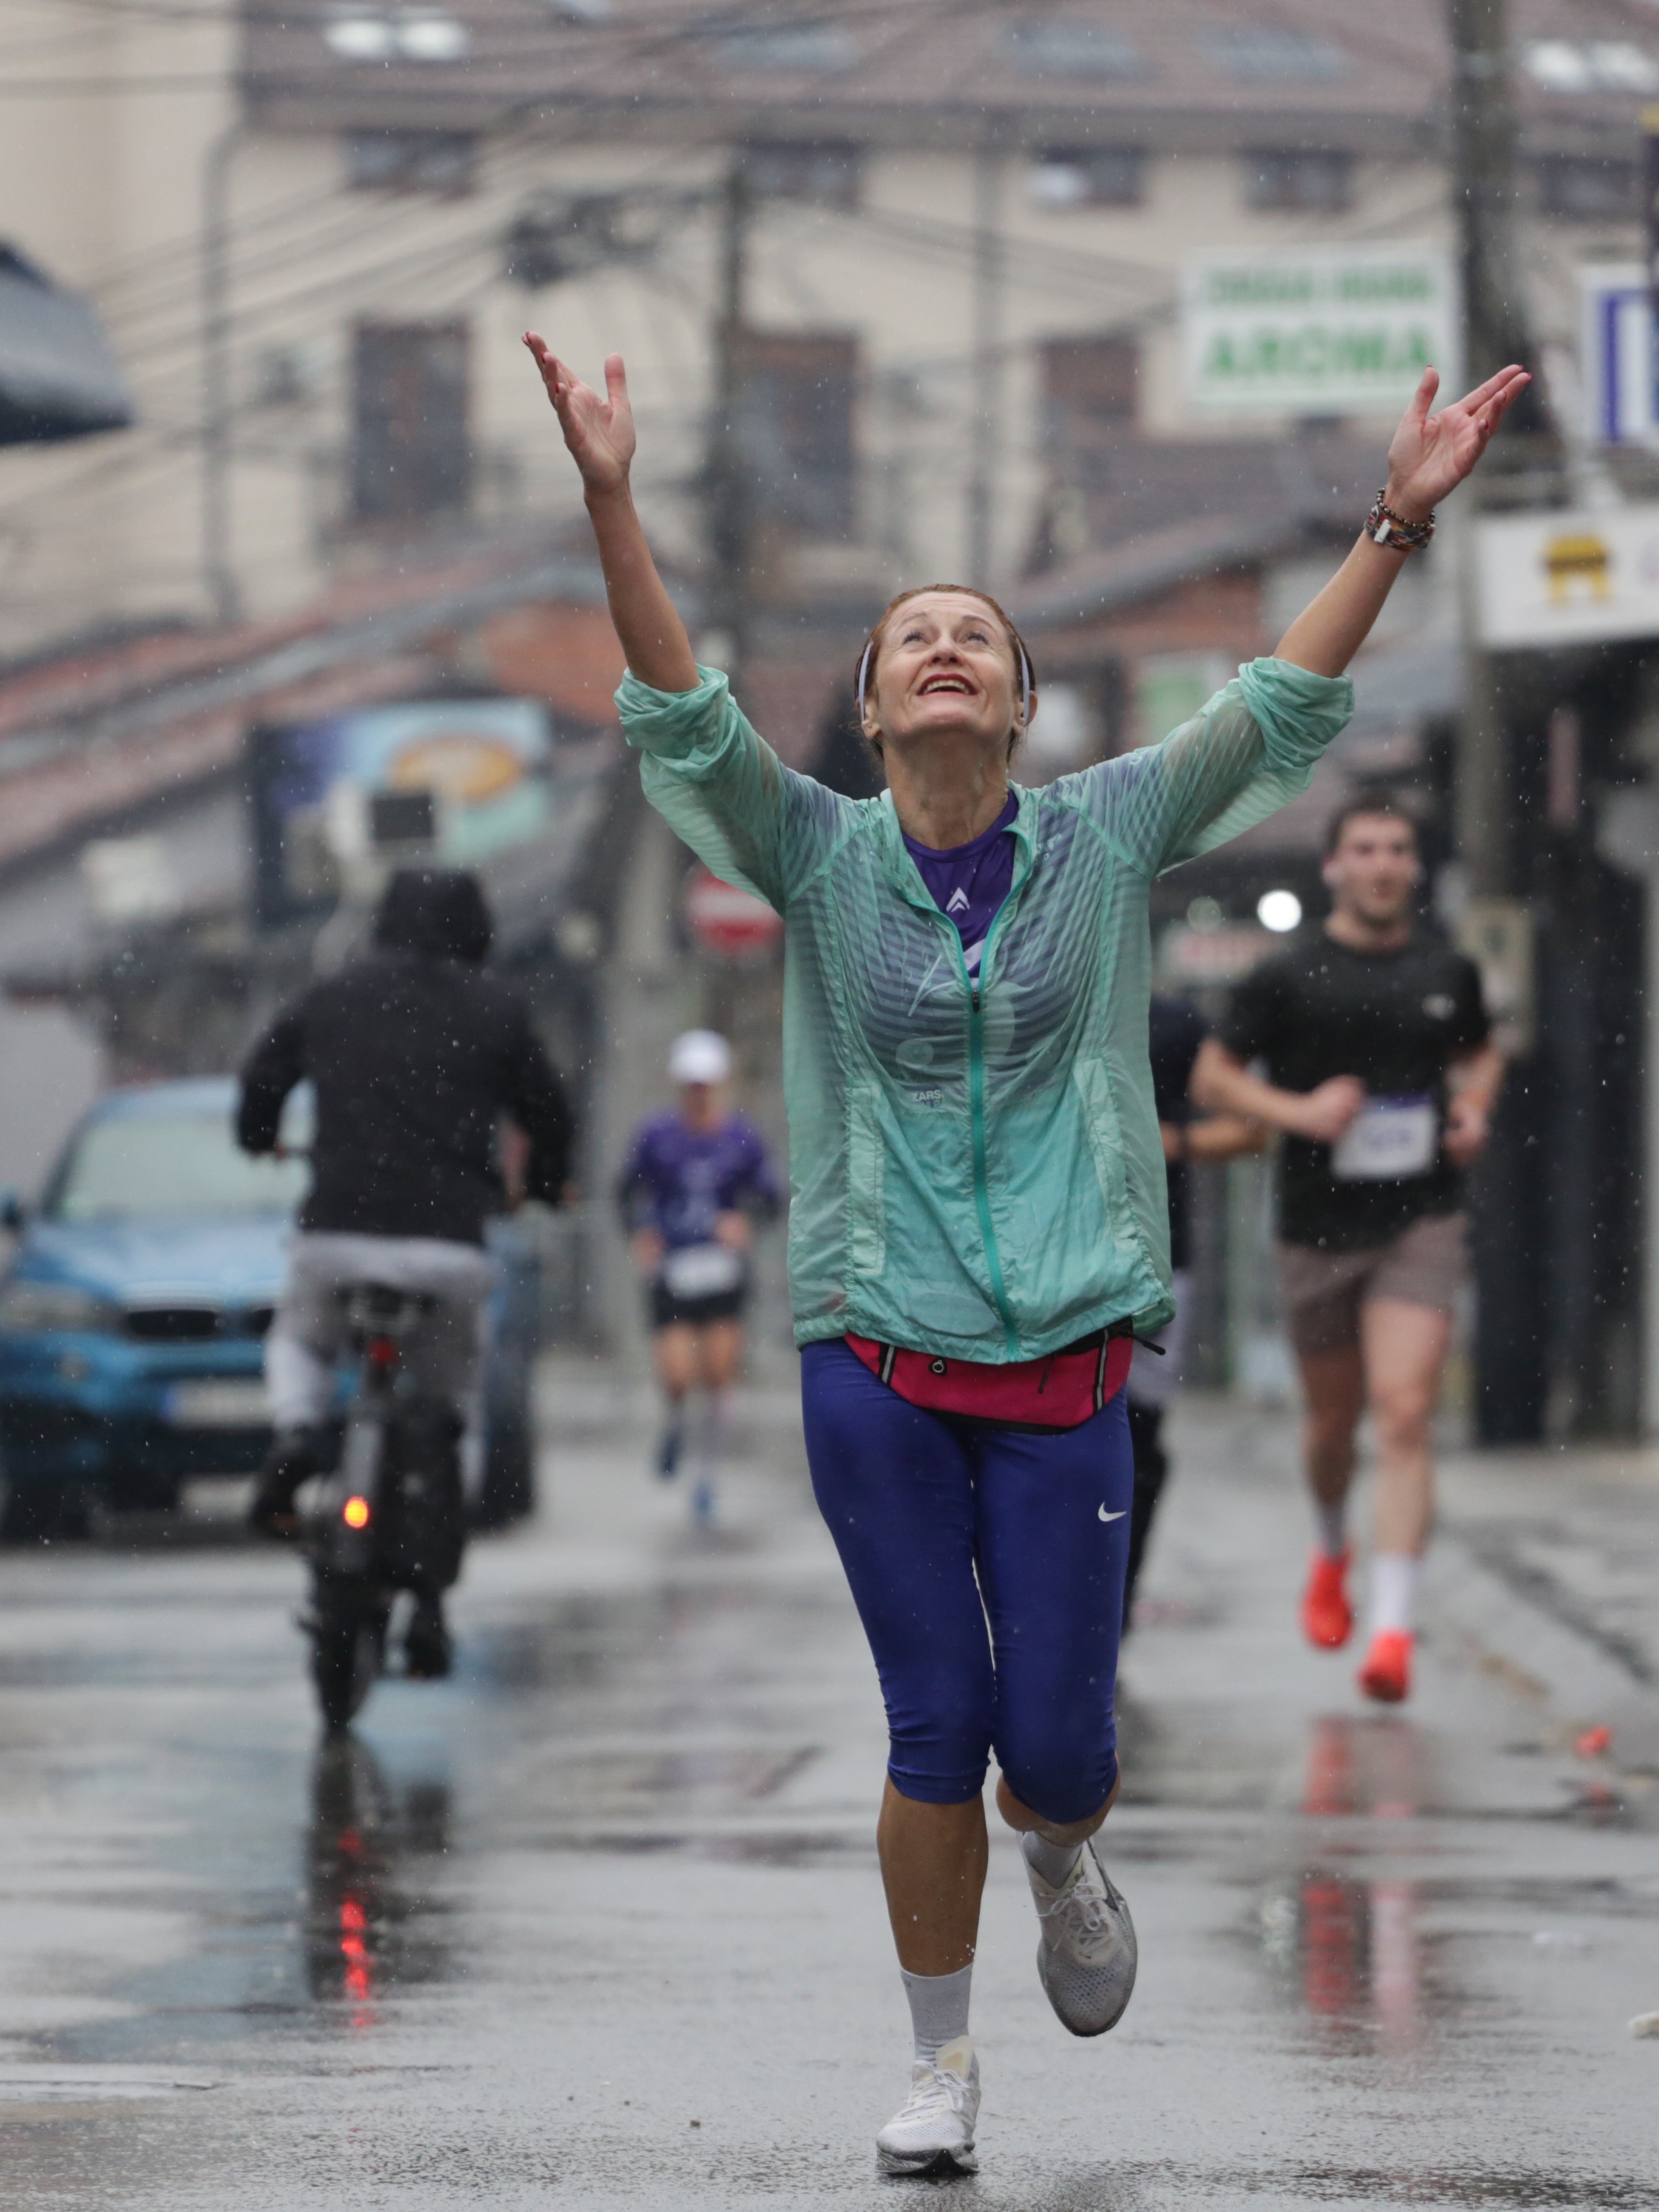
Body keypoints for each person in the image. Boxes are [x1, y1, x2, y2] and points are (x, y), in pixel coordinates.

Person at [525, 325, 1526, 2175]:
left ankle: (1064, 1850)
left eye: (975, 634)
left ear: (1020, 700)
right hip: (873, 1348)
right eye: (912, 634)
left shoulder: (1109, 834)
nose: (944, 646)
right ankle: (941, 2063)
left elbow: (1276, 711)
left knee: (1054, 1748)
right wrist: (612, 500)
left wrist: (1394, 522)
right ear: (874, 703)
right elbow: (680, 713)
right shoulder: (814, 855)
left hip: (1068, 1350)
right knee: (935, 1723)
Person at [1192, 794, 1503, 1706]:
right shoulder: (1286, 977)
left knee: (1404, 1415)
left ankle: (1393, 1631)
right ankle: (1333, 1548)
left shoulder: (1447, 969)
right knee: (1335, 1425)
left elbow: (1481, 1054)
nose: (1382, 864)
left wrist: (1472, 1110)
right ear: (1334, 866)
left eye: (1397, 849)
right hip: (1317, 1224)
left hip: (1421, 1216)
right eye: (1364, 849)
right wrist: (1298, 1111)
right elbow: (1214, 1077)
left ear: (1414, 865)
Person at [236, 867, 573, 1676]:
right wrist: (545, 1186)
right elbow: (550, 1113)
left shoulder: (333, 996)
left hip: (337, 1236)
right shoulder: (497, 1011)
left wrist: (258, 1134)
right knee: (453, 1406)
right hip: (447, 1251)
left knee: (302, 1340)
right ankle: (429, 1604)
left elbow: (263, 1076)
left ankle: (296, 1432)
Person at [1121, 994, 1266, 1626]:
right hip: (1032, 1260)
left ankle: (1114, 1608)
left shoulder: (1174, 1025)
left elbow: (1251, 1127)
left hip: (1153, 1259)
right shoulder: (1018, 1007)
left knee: (1137, 1438)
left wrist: (1169, 1141)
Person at [616, 1028, 781, 1522]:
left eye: (705, 1085)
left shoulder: (742, 1138)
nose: (698, 1095)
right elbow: (627, 1191)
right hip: (674, 1268)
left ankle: (706, 1472)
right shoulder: (657, 1136)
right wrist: (642, 1235)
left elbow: (771, 1196)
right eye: (691, 1085)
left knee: (718, 1370)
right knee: (676, 1370)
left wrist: (745, 1223)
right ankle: (674, 1419)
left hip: (722, 1272)